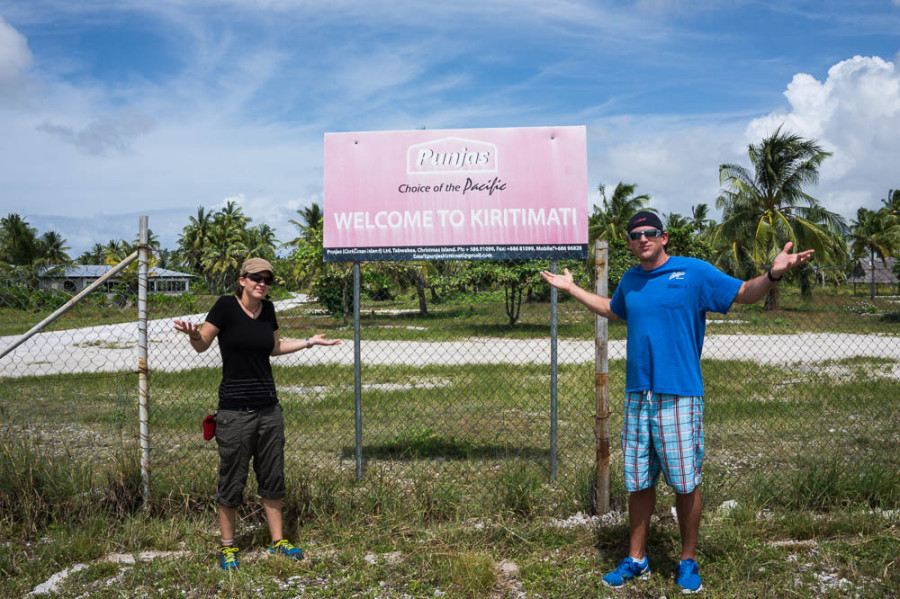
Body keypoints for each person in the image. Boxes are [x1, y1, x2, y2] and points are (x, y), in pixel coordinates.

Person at [540, 211, 813, 594]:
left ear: (664, 237)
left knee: (685, 483)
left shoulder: (694, 273)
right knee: (638, 481)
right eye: (635, 235)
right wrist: (572, 289)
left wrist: (774, 274)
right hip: (638, 394)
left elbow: (742, 293)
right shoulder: (631, 280)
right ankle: (637, 560)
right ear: (631, 243)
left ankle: (688, 560)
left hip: (680, 394)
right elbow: (612, 309)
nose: (642, 239)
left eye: (649, 233)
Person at [174, 257, 341, 571]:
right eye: (256, 278)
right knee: (232, 480)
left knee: (273, 476)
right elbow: (204, 344)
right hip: (234, 412)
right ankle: (228, 548)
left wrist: (309, 342)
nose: (261, 284)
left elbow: (274, 348)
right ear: (242, 280)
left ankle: (277, 541)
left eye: (267, 280)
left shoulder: (269, 310)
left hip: (268, 410)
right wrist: (193, 334)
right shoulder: (225, 306)